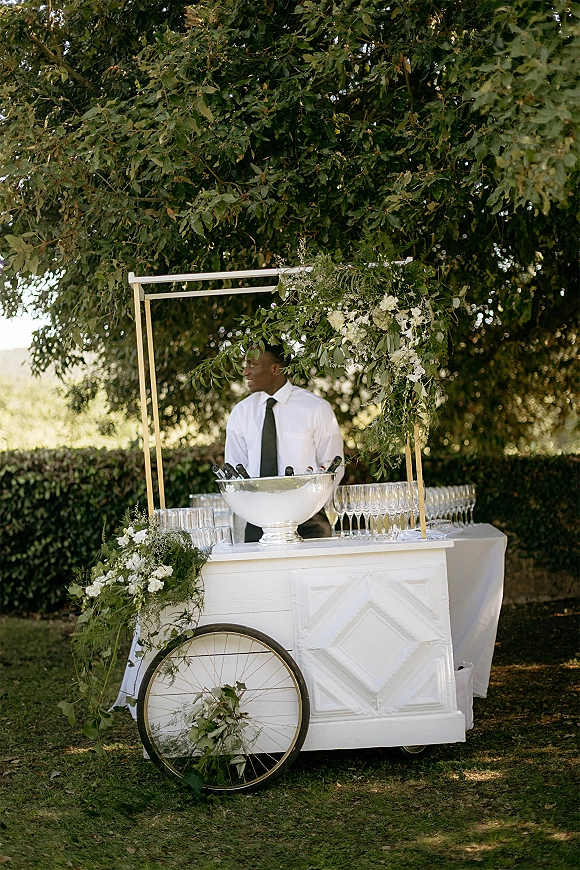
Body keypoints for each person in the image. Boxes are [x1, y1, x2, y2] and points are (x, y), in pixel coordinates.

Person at [225, 343, 344, 542]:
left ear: (275, 369)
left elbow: (333, 467)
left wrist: (307, 507)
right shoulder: (241, 413)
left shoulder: (316, 408)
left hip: (309, 522)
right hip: (257, 523)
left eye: (252, 365)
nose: (245, 372)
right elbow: (234, 474)